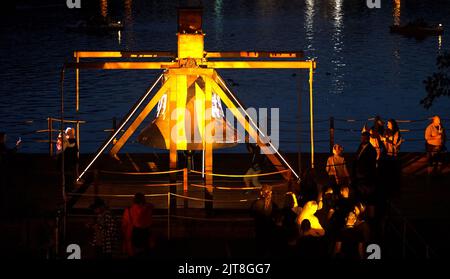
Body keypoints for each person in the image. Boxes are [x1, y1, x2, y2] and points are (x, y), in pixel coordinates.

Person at [122, 193, 154, 258]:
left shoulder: (129, 210)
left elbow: (124, 225)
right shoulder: (148, 209)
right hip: (146, 234)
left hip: (133, 234)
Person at [380, 119, 403, 196]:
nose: (387, 125)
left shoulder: (397, 132)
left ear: (392, 124)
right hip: (386, 154)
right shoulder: (386, 131)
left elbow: (395, 142)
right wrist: (383, 139)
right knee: (386, 172)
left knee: (394, 172)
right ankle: (387, 188)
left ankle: (395, 189)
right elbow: (383, 140)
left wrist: (386, 140)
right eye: (387, 124)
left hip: (393, 154)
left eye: (389, 124)